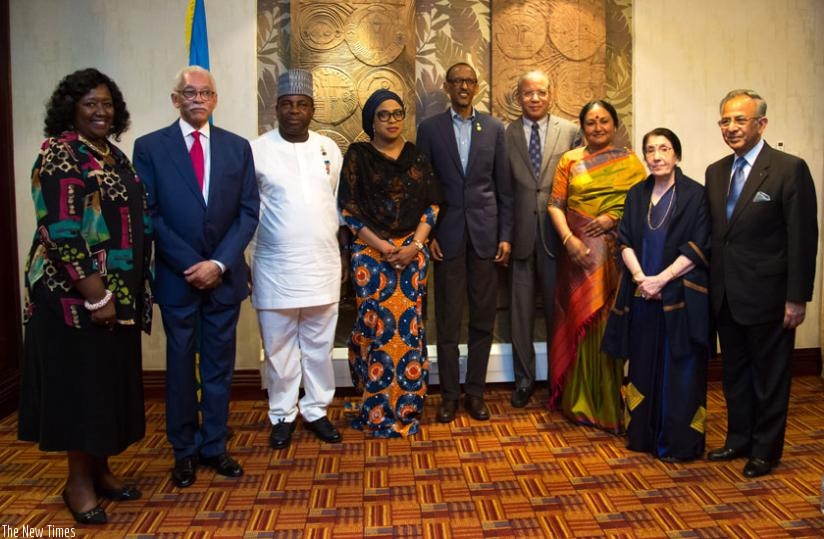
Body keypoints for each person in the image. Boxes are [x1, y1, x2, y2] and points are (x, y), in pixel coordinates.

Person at [17, 68, 152, 524]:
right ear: (71, 108)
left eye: (107, 103)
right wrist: (96, 296)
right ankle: (77, 484)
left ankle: (101, 470)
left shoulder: (111, 155)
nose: (101, 111)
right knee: (81, 390)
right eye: (91, 103)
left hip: (115, 297)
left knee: (105, 387)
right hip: (73, 301)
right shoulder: (60, 154)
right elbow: (62, 232)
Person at [133, 66, 259, 488]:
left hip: (223, 278)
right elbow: (148, 214)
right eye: (190, 92)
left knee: (220, 368)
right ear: (176, 99)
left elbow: (247, 212)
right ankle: (183, 451)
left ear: (215, 99)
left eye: (206, 93)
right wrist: (193, 264)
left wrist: (219, 264)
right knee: (181, 366)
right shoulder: (150, 147)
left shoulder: (237, 148)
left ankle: (214, 446)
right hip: (177, 278)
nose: (198, 99)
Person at [704, 89, 817, 477]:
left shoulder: (789, 168)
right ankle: (739, 439)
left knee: (770, 377)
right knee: (734, 372)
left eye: (740, 120)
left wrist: (797, 297)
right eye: (725, 121)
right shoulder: (716, 172)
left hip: (770, 297)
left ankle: (766, 450)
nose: (731, 128)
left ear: (761, 124)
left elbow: (803, 237)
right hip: (726, 296)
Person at [338, 89, 444, 437]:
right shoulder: (359, 155)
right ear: (371, 120)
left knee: (408, 332)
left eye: (397, 113)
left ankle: (407, 407)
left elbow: (432, 205)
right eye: (384, 114)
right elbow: (348, 212)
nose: (393, 120)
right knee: (376, 331)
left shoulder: (416, 156)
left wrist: (415, 245)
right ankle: (377, 407)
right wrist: (385, 247)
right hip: (371, 256)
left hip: (412, 256)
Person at [602, 128, 711, 461]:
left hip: (680, 297)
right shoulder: (636, 194)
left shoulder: (696, 194)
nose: (657, 156)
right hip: (641, 295)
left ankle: (679, 442)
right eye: (651, 150)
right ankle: (643, 435)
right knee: (643, 365)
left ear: (676, 154)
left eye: (664, 149)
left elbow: (699, 245)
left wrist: (660, 280)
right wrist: (640, 278)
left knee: (680, 369)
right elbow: (625, 241)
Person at [250, 69, 343, 449]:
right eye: (287, 104)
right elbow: (246, 208)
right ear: (276, 108)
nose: (294, 111)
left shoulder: (328, 148)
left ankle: (317, 410)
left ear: (312, 109)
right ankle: (283, 414)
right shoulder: (256, 149)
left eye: (301, 105)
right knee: (279, 348)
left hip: (322, 263)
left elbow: (334, 201)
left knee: (319, 346)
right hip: (274, 266)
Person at [416, 62, 513, 423]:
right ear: (447, 86)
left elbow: (503, 188)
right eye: (456, 81)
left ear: (476, 87)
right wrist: (429, 236)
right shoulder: (429, 129)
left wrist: (505, 235)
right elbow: (423, 188)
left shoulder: (493, 128)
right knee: (448, 319)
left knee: (482, 319)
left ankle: (475, 393)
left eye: (469, 81)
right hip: (447, 238)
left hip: (486, 236)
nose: (463, 86)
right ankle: (449, 396)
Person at [547, 100, 646, 433]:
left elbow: (643, 205)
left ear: (615, 125)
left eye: (604, 121)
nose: (598, 127)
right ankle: (578, 402)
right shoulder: (570, 160)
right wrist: (568, 241)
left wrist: (612, 218)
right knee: (579, 322)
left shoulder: (631, 163)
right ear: (583, 127)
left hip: (617, 259)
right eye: (591, 122)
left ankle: (607, 403)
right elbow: (555, 206)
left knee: (608, 326)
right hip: (578, 257)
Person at [505, 70, 580, 408]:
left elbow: (579, 187)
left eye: (541, 92)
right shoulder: (505, 134)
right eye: (527, 93)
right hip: (519, 236)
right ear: (518, 97)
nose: (534, 98)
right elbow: (502, 190)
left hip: (556, 236)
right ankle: (523, 380)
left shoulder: (571, 132)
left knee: (557, 313)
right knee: (519, 314)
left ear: (551, 94)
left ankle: (557, 380)